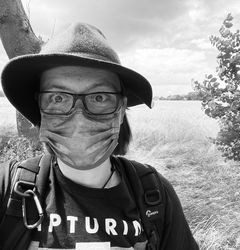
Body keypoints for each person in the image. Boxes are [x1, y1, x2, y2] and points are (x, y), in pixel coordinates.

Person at [0, 23, 199, 249]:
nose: (79, 118)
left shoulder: (155, 194)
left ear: (121, 109)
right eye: (57, 98)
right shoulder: (8, 189)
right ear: (40, 107)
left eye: (99, 97)